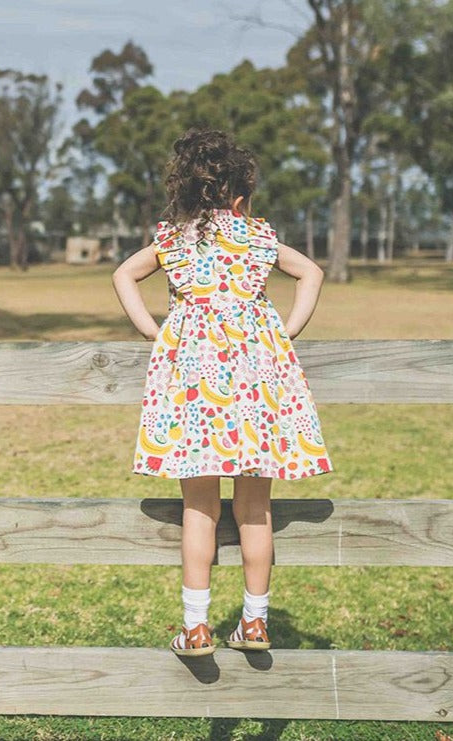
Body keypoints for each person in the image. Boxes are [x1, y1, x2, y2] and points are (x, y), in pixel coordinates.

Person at [112, 128, 334, 656]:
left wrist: (152, 329)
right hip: (255, 389)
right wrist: (288, 329)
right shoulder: (258, 237)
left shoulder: (172, 240)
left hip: (194, 391)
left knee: (200, 509)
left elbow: (124, 275)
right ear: (240, 194)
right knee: (255, 509)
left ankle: (195, 626)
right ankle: (254, 622)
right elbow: (311, 272)